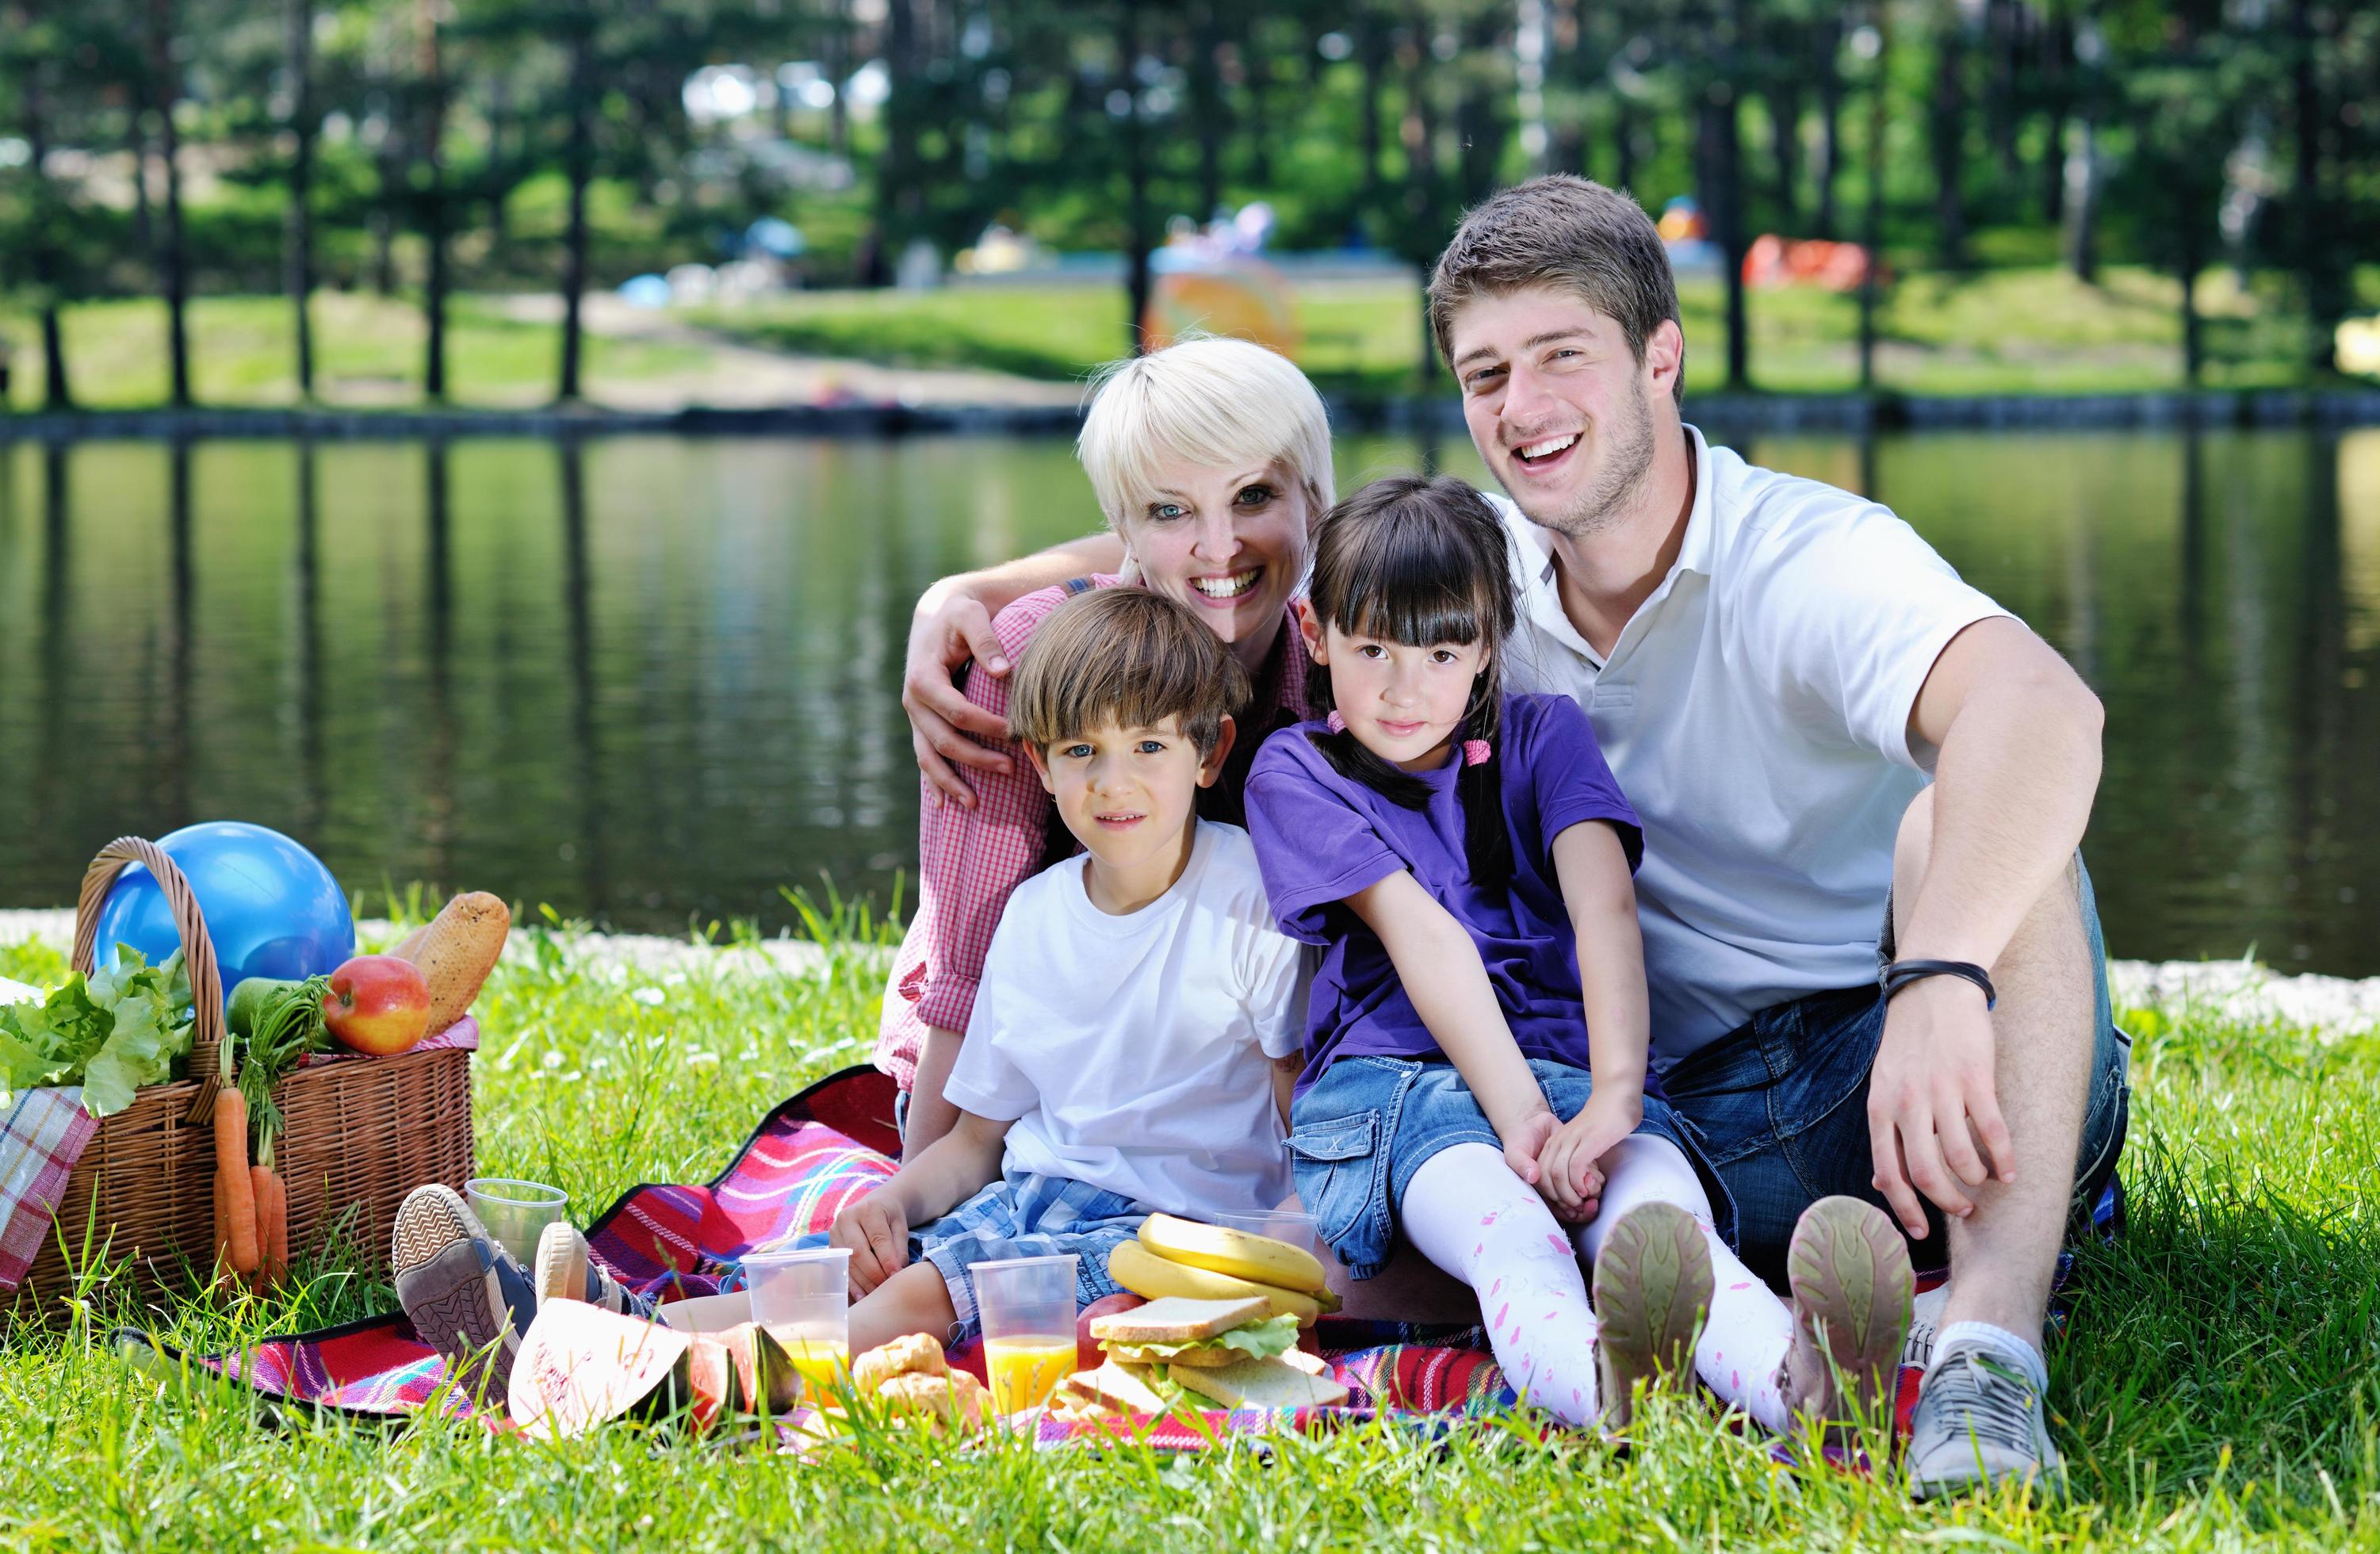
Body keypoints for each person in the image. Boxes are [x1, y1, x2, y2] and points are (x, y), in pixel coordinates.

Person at [901, 177, 2123, 1495]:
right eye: (1486, 373)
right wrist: (966, 589)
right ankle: (1743, 1355)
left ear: (1662, 356)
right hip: (1649, 1104)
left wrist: (1938, 979)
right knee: (1506, 1207)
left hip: (1872, 1081)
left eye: (1561, 356)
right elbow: (1221, 545)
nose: (1522, 407)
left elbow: (2044, 707)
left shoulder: (1804, 558)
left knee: (1989, 829)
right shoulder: (1470, 581)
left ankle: (1984, 1364)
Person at [1243, 473, 1911, 1434]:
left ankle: (1806, 1392)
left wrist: (1611, 1098)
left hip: (1567, 1075)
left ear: (1486, 644)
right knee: (1513, 1237)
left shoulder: (1543, 733)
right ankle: (1603, 1389)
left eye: (1441, 650)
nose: (1403, 686)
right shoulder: (1296, 768)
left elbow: (1603, 907)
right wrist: (1519, 1121)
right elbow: (1423, 933)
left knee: (1663, 1227)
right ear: (1315, 635)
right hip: (1400, 1092)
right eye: (1372, 649)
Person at [877, 335, 1331, 1161]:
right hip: (1038, 1079)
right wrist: (916, 1200)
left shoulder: (1357, 666)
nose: (1218, 544)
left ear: (1316, 505)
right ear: (1122, 526)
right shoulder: (1020, 657)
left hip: (1244, 1087)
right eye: (1170, 510)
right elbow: (967, 959)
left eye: (1254, 495)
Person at [833, 587, 1306, 1353]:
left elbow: (1300, 1120)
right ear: (1041, 765)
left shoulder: (1251, 898)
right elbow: (978, 1140)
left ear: (1210, 752)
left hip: (1164, 1234)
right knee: (845, 1270)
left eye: (1149, 747)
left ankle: (715, 1372)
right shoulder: (1033, 915)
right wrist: (892, 1199)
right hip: (1029, 1196)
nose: (1112, 782)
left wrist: (1275, 1265)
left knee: (919, 1298)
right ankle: (617, 1316)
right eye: (1081, 750)